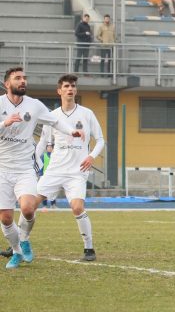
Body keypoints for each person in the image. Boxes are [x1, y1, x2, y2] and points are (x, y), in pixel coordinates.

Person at [0, 67, 85, 269]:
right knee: (5, 217)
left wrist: (72, 131)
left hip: (24, 168)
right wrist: (5, 123)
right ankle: (17, 252)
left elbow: (56, 121)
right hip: (2, 168)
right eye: (17, 78)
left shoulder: (35, 105)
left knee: (28, 209)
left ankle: (25, 240)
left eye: (24, 78)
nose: (23, 81)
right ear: (7, 84)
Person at [34, 74, 104, 262]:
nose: (70, 89)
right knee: (29, 205)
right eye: (66, 86)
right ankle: (16, 245)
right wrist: (33, 159)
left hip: (77, 172)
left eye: (73, 86)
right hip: (55, 169)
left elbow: (100, 140)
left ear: (76, 90)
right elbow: (43, 141)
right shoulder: (52, 117)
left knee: (77, 207)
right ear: (59, 91)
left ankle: (89, 249)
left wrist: (91, 156)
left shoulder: (87, 113)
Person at [39, 143, 57, 209]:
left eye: (50, 147)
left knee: (53, 191)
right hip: (44, 176)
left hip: (53, 176)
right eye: (48, 147)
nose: (49, 148)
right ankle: (44, 205)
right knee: (44, 191)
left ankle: (53, 205)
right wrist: (40, 174)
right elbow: (41, 165)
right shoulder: (43, 156)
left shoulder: (55, 156)